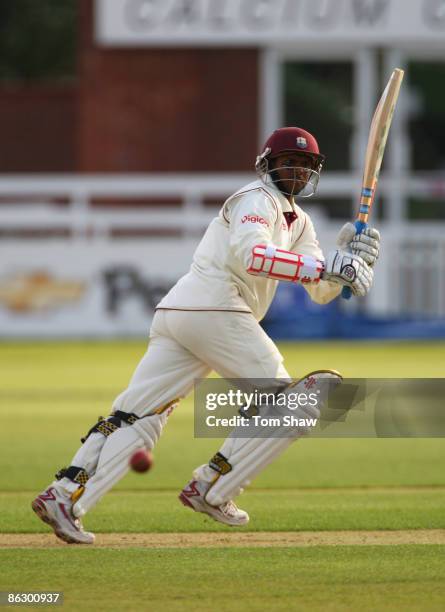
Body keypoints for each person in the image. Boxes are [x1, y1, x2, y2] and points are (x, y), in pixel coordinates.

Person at [32, 127, 380, 544]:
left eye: (306, 166)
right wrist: (325, 269)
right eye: (290, 162)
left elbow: (319, 291)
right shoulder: (256, 198)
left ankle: (64, 495)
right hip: (214, 307)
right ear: (268, 165)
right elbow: (253, 256)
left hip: (184, 314)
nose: (299, 171)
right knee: (298, 405)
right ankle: (213, 487)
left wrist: (348, 267)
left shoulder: (300, 222)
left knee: (137, 418)